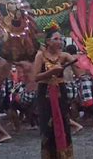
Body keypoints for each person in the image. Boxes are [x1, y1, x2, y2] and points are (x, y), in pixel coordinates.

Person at [34, 29, 76, 158]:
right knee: (48, 127)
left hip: (60, 93)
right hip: (45, 94)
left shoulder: (64, 56)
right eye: (56, 39)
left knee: (64, 124)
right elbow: (36, 77)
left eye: (60, 39)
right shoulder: (40, 55)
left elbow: (79, 66)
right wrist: (50, 73)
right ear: (48, 41)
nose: (60, 42)